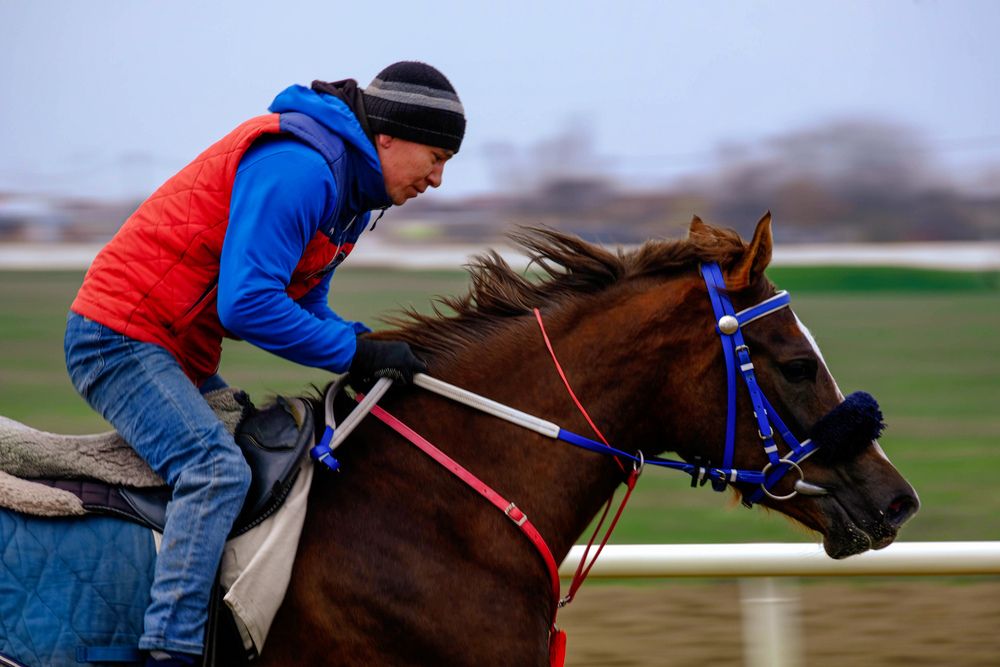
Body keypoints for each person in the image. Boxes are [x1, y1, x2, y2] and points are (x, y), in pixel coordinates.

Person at [64, 61, 465, 666]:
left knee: (265, 462)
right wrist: (356, 352)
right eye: (434, 156)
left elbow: (305, 301)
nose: (436, 179)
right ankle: (169, 651)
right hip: (117, 336)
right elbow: (249, 303)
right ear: (387, 136)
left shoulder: (350, 193)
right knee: (215, 471)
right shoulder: (301, 168)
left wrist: (370, 347)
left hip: (177, 350)